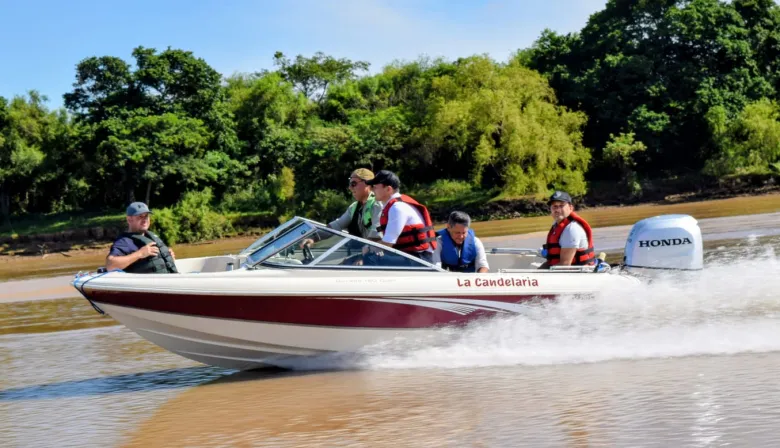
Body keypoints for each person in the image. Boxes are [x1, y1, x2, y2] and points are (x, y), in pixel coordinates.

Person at [365, 170, 437, 262]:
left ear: (388, 189)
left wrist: (369, 248)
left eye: (375, 187)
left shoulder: (397, 208)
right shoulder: (393, 205)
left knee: (370, 259)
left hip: (419, 258)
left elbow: (387, 244)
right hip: (409, 255)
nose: (372, 189)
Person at [105, 202, 178, 274]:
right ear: (129, 220)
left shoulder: (151, 236)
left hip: (169, 280)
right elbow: (110, 265)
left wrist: (168, 259)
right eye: (140, 216)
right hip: (152, 283)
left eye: (146, 216)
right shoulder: (124, 241)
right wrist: (140, 254)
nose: (144, 220)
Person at [539, 191, 595, 268]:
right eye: (554, 206)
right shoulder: (557, 225)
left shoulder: (571, 229)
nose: (557, 210)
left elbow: (564, 265)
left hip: (577, 274)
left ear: (570, 208)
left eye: (561, 206)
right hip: (560, 270)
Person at [327, 168, 384, 240]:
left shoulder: (377, 204)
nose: (350, 187)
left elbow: (376, 234)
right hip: (363, 249)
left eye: (353, 184)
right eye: (350, 184)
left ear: (368, 183)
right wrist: (313, 238)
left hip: (375, 250)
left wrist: (366, 249)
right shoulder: (353, 207)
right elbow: (336, 225)